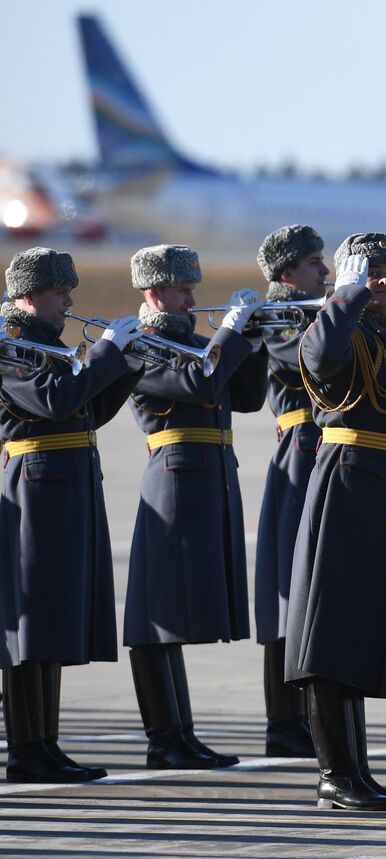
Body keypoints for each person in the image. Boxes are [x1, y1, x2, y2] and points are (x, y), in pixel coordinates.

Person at [285, 233, 386, 811]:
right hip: (346, 492)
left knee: (359, 635)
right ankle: (334, 774)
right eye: (374, 272)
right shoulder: (335, 327)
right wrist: (344, 294)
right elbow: (319, 356)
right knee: (331, 637)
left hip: (385, 496)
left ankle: (356, 772)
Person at [124, 244, 269, 770]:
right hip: (174, 476)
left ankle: (179, 735)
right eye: (182, 290)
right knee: (156, 612)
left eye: (192, 289)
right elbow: (197, 383)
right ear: (154, 292)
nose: (191, 299)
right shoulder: (141, 345)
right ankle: (165, 737)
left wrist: (250, 340)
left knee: (173, 612)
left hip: (210, 476)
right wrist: (231, 335)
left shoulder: (202, 344)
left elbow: (248, 396)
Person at [0, 248, 142, 782]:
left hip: (67, 488)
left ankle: (46, 745)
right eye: (61, 292)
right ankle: (26, 751)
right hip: (35, 490)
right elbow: (55, 401)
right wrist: (105, 355)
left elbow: (86, 412)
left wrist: (126, 367)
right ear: (31, 296)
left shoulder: (43, 345)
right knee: (30, 627)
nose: (69, 301)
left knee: (54, 619)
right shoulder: (10, 347)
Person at [253, 225, 328, 757]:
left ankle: (307, 716)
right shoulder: (279, 322)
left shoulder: (318, 314)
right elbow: (312, 359)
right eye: (313, 263)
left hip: (325, 447)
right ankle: (284, 723)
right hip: (301, 451)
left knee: (318, 590)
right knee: (289, 590)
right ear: (286, 274)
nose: (324, 272)